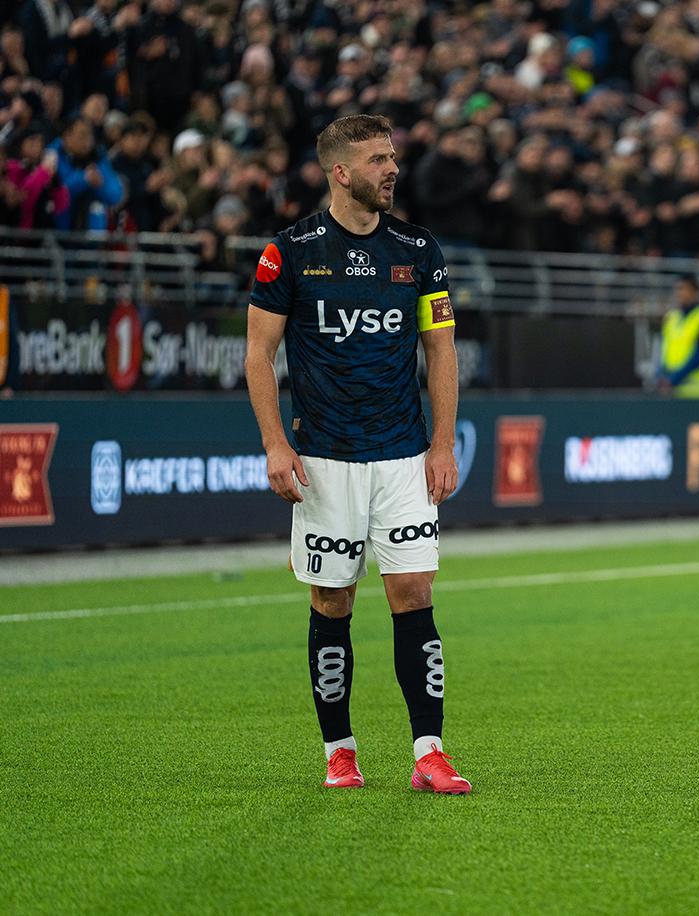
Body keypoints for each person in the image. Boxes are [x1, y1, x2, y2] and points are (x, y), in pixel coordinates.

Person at [243, 114, 470, 795]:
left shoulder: (418, 249)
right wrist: (275, 443)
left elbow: (441, 350)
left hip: (402, 456)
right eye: (377, 159)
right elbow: (258, 354)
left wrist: (441, 443)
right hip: (325, 460)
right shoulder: (289, 252)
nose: (391, 168)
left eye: (392, 156)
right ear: (340, 172)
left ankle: (429, 752)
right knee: (332, 599)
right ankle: (339, 752)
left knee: (415, 592)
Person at [658, 274, 699, 398]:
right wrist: (662, 377)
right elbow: (665, 353)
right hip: (675, 392)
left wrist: (673, 380)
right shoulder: (672, 317)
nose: (679, 293)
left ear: (696, 292)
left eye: (684, 289)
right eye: (678, 289)